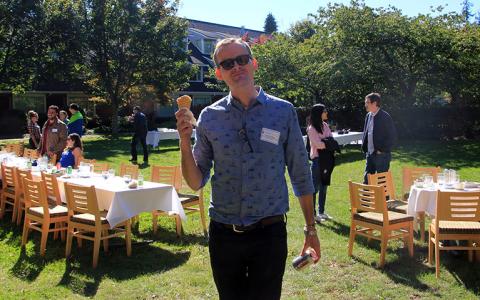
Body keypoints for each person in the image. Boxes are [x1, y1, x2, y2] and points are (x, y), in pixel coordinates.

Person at [176, 38, 320, 300]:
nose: (237, 67)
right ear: (219, 73)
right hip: (224, 234)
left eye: (242, 60)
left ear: (253, 64)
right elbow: (195, 181)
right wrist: (184, 142)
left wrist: (311, 229)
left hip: (269, 234)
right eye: (228, 63)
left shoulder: (282, 111)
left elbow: (300, 174)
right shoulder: (209, 116)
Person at [307, 104, 334, 223]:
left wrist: (326, 142)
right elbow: (318, 144)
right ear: (319, 113)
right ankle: (312, 214)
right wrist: (326, 142)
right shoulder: (311, 128)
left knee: (324, 187)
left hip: (327, 159)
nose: (326, 113)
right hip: (317, 161)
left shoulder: (325, 125)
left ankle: (321, 212)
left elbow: (332, 140)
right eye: (324, 111)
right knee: (315, 187)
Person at [361, 93, 397, 184]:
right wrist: (365, 147)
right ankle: (367, 198)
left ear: (375, 103)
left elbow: (392, 136)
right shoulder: (368, 115)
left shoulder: (385, 116)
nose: (365, 105)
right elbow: (367, 132)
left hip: (381, 155)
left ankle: (385, 199)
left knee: (382, 181)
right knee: (367, 179)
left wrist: (381, 150)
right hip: (369, 154)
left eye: (367, 102)